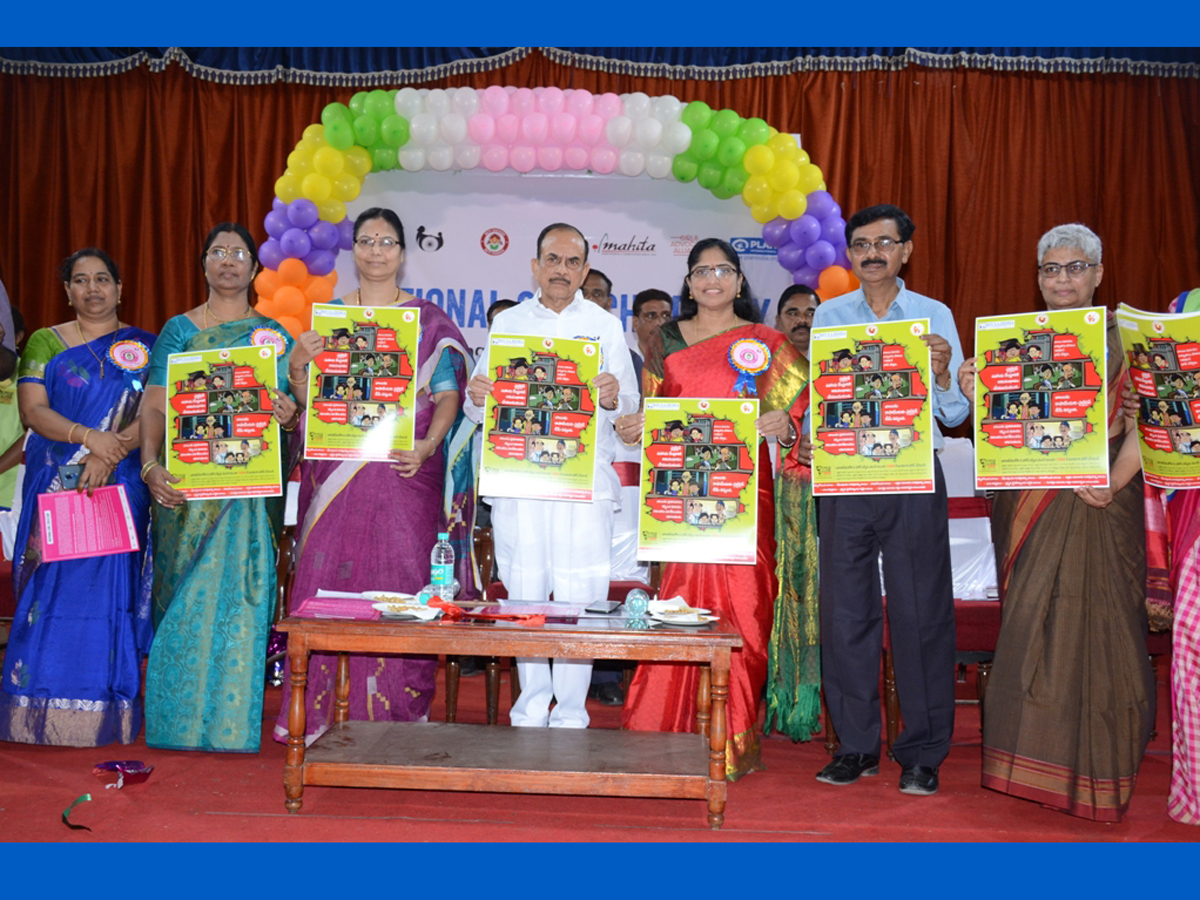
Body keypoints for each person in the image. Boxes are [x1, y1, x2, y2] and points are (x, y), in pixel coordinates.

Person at [960, 223, 1152, 821]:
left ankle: (1100, 768)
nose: (1061, 279)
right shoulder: (1017, 342)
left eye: (1074, 268)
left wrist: (1113, 481)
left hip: (1102, 506)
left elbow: (1152, 423)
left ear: (1098, 274)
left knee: (1101, 629)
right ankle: (1027, 763)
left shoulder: (1128, 341)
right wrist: (974, 392)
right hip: (1029, 508)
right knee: (1030, 626)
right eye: (1050, 269)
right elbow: (1004, 435)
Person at [273, 207, 477, 745]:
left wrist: (429, 445)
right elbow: (306, 402)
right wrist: (298, 365)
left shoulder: (430, 321)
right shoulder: (327, 321)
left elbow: (450, 393)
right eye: (367, 240)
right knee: (327, 584)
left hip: (405, 473)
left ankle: (399, 717)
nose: (377, 250)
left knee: (403, 585)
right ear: (354, 250)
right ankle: (318, 717)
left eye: (387, 241)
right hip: (336, 474)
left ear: (402, 253)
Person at [616, 238, 808, 778]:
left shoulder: (766, 341)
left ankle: (734, 737)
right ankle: (664, 729)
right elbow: (655, 414)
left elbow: (806, 414)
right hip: (679, 497)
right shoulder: (665, 342)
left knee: (746, 612)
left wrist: (786, 426)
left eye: (724, 270)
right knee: (678, 609)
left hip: (747, 495)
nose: (713, 280)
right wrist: (634, 424)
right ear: (689, 281)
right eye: (702, 271)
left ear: (740, 282)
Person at [810, 204, 969, 796]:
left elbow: (955, 415)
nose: (871, 252)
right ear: (849, 255)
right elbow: (824, 403)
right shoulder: (829, 315)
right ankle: (855, 746)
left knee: (920, 612)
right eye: (860, 244)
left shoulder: (935, 316)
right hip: (846, 478)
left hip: (912, 477)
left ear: (906, 250)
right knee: (845, 613)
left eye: (884, 242)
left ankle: (923, 753)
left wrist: (946, 374)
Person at [465, 222, 638, 729]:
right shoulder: (510, 323)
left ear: (585, 269)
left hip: (583, 483)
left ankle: (571, 712)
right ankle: (529, 706)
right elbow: (482, 410)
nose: (561, 270)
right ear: (535, 266)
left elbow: (629, 409)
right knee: (525, 591)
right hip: (520, 482)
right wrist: (479, 399)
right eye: (552, 260)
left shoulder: (606, 326)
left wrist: (613, 394)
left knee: (580, 595)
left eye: (571, 262)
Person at [141, 223, 300, 753]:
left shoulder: (275, 336)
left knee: (245, 593)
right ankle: (175, 723)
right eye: (217, 252)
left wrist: (288, 412)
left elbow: (294, 411)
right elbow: (156, 404)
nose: (228, 261)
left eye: (239, 253)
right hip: (188, 484)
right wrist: (147, 465)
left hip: (250, 492)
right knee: (181, 592)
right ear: (203, 264)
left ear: (255, 268)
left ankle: (232, 725)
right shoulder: (178, 330)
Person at [0, 248, 156, 746]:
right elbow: (32, 411)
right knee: (53, 590)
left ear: (120, 287)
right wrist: (90, 439)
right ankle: (35, 709)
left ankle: (103, 707)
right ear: (67, 291)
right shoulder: (45, 343)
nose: (93, 289)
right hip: (59, 480)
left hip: (120, 483)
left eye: (103, 279)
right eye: (81, 281)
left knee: (108, 593)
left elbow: (154, 413)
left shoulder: (147, 346)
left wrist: (111, 451)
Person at [766, 284, 822, 744]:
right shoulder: (766, 370)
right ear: (779, 319)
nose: (802, 320)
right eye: (793, 312)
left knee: (824, 599)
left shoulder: (839, 365)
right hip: (775, 494)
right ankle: (776, 697)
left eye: (811, 312)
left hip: (833, 499)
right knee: (778, 593)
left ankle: (814, 698)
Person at [774, 284, 819, 359]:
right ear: (778, 321)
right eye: (793, 314)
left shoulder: (834, 360)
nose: (802, 320)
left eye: (811, 314)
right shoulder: (765, 360)